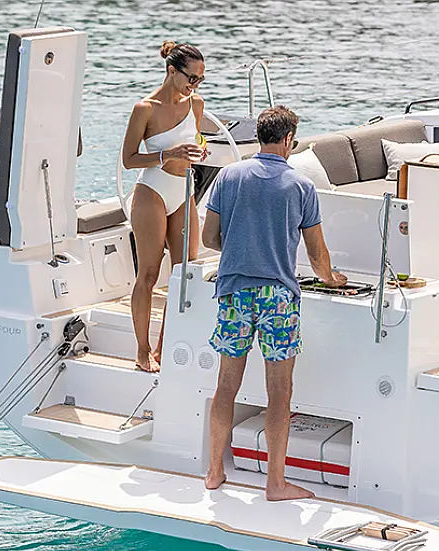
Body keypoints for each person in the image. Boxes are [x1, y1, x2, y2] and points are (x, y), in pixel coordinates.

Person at [201, 106, 347, 501]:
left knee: (226, 385)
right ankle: (275, 484)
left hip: (234, 291)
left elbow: (209, 238)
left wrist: (240, 247)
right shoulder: (301, 186)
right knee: (279, 392)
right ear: (287, 140)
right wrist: (332, 279)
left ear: (259, 137)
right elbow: (316, 254)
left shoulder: (228, 176)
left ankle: (214, 471)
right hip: (277, 297)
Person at [121, 40, 209, 372]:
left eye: (200, 79)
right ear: (172, 71)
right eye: (191, 78)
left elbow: (196, 140)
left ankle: (164, 344)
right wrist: (167, 155)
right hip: (152, 191)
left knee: (185, 272)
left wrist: (201, 150)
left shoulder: (196, 104)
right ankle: (142, 350)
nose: (195, 85)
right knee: (148, 274)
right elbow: (129, 159)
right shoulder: (144, 109)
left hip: (184, 190)